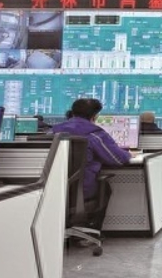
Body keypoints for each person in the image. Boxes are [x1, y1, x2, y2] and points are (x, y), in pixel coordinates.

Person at [52, 98, 135, 229]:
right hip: (81, 192)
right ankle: (90, 230)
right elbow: (117, 159)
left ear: (73, 112)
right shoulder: (95, 134)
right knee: (104, 187)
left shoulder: (53, 132)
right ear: (95, 116)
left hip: (52, 190)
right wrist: (128, 154)